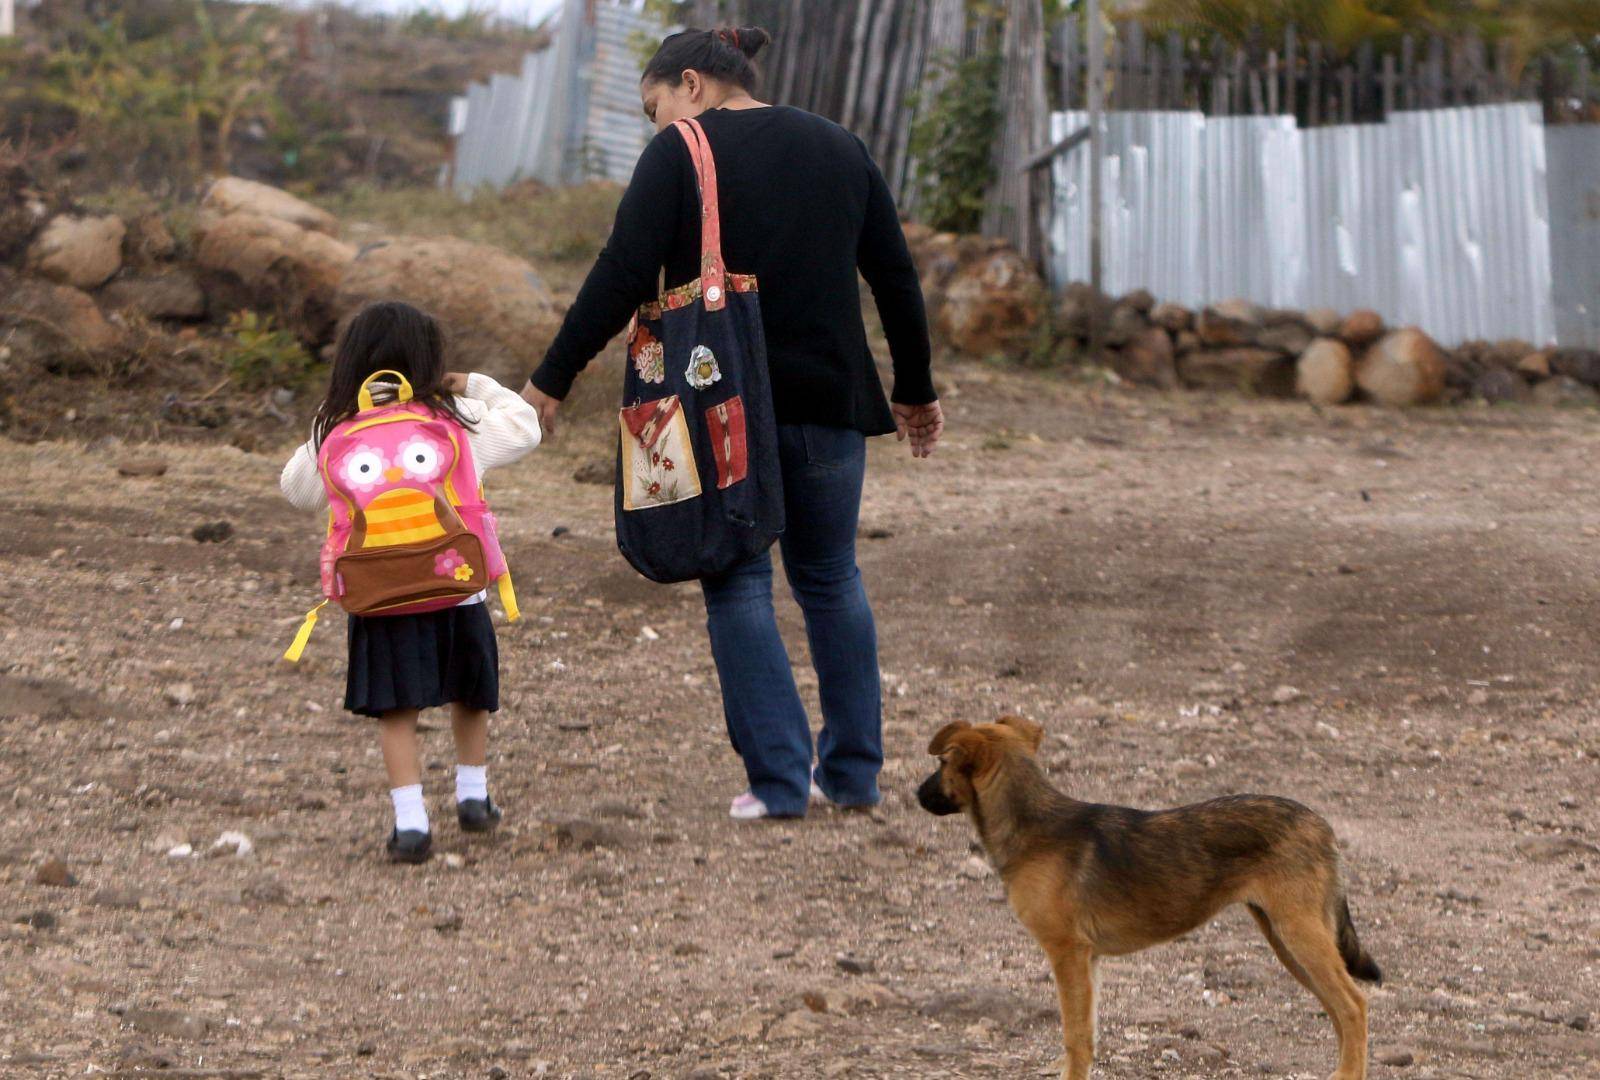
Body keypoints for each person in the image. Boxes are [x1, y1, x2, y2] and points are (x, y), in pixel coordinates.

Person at [520, 27, 944, 820]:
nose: (656, 124)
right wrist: (914, 387)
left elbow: (621, 271)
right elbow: (893, 275)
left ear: (691, 84)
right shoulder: (841, 146)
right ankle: (851, 776)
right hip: (831, 407)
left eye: (653, 108)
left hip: (725, 410)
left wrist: (553, 376)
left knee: (738, 582)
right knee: (831, 578)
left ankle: (781, 783)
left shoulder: (681, 149)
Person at [281, 302, 542, 862]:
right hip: (458, 586)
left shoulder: (338, 429)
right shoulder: (455, 420)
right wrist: (471, 385)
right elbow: (526, 427)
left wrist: (331, 420)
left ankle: (411, 824)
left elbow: (297, 489)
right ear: (430, 361)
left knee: (397, 708)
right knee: (469, 690)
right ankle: (473, 798)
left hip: (380, 595)